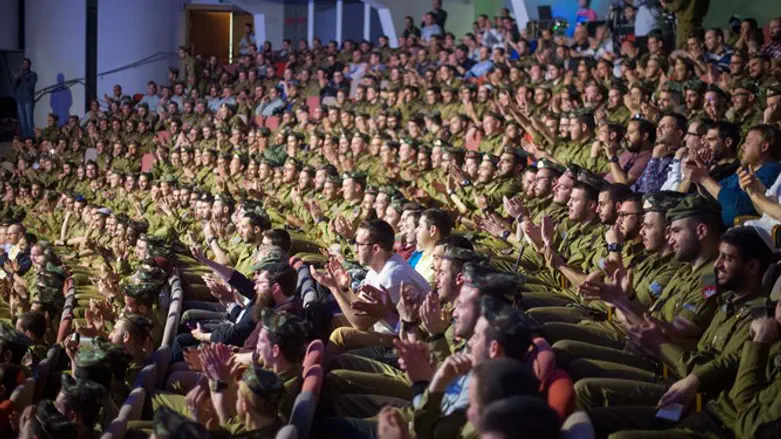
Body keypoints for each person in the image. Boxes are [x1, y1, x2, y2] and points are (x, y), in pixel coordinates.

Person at [13, 58, 37, 140]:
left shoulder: (32, 75)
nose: (24, 65)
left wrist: (22, 77)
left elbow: (30, 86)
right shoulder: (19, 74)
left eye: (26, 63)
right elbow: (14, 87)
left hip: (28, 100)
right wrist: (17, 78)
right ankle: (24, 138)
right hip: (20, 100)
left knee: (29, 120)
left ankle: (31, 138)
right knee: (22, 121)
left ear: (29, 65)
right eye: (23, 63)